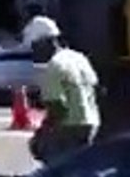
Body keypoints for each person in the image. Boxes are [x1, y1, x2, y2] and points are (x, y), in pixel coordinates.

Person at [22, 15, 101, 163]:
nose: (35, 52)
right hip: (92, 124)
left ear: (46, 42)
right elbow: (96, 89)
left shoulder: (54, 66)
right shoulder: (79, 58)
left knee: (53, 163)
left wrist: (41, 134)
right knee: (82, 165)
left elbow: (58, 108)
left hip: (68, 127)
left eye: (35, 46)